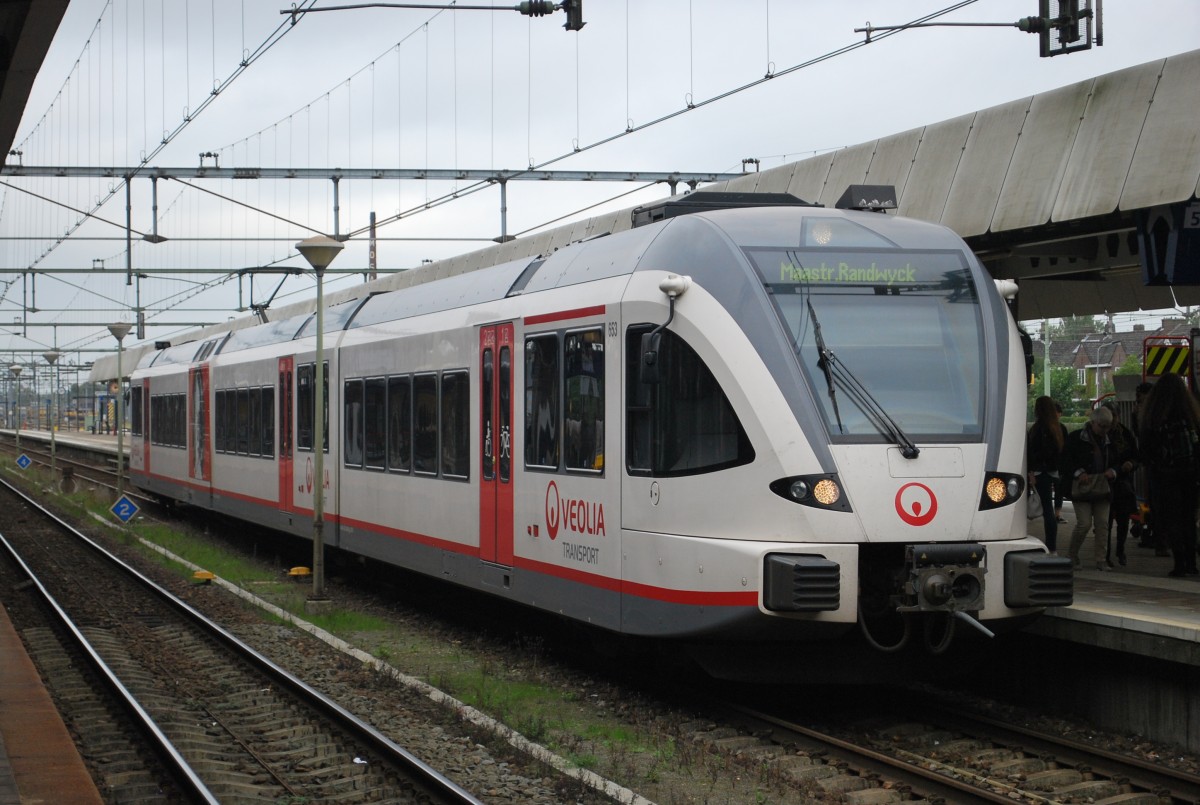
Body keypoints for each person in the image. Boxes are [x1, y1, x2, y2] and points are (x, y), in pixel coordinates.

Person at [1139, 372, 1200, 578]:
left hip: (1165, 475)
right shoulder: (1191, 415)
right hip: (1190, 475)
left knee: (1171, 518)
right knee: (1188, 518)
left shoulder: (1154, 416)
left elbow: (1146, 451)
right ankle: (1192, 563)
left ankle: (1180, 563)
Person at [1062, 406, 1119, 571]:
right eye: (1101, 426)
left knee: (1102, 524)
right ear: (1093, 422)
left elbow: (1117, 459)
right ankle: (1072, 555)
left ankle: (1100, 558)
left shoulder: (1109, 441)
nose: (1104, 430)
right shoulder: (1076, 438)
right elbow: (1065, 460)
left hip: (1101, 486)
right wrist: (1079, 472)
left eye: (1107, 426)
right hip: (1084, 487)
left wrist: (1114, 471)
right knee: (1084, 523)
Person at [1027, 396, 1068, 552]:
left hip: (1040, 471)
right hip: (1055, 471)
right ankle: (1052, 546)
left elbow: (1032, 453)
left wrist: (1031, 471)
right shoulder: (1060, 428)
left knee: (1046, 508)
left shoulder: (1037, 428)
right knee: (1051, 510)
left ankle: (1050, 546)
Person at [1101, 401, 1138, 567]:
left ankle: (1120, 549)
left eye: (1114, 416)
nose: (1112, 420)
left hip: (1123, 482)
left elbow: (1136, 456)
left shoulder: (1125, 433)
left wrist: (1131, 463)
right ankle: (1106, 554)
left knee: (1123, 520)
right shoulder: (1099, 433)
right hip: (1105, 483)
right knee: (1105, 522)